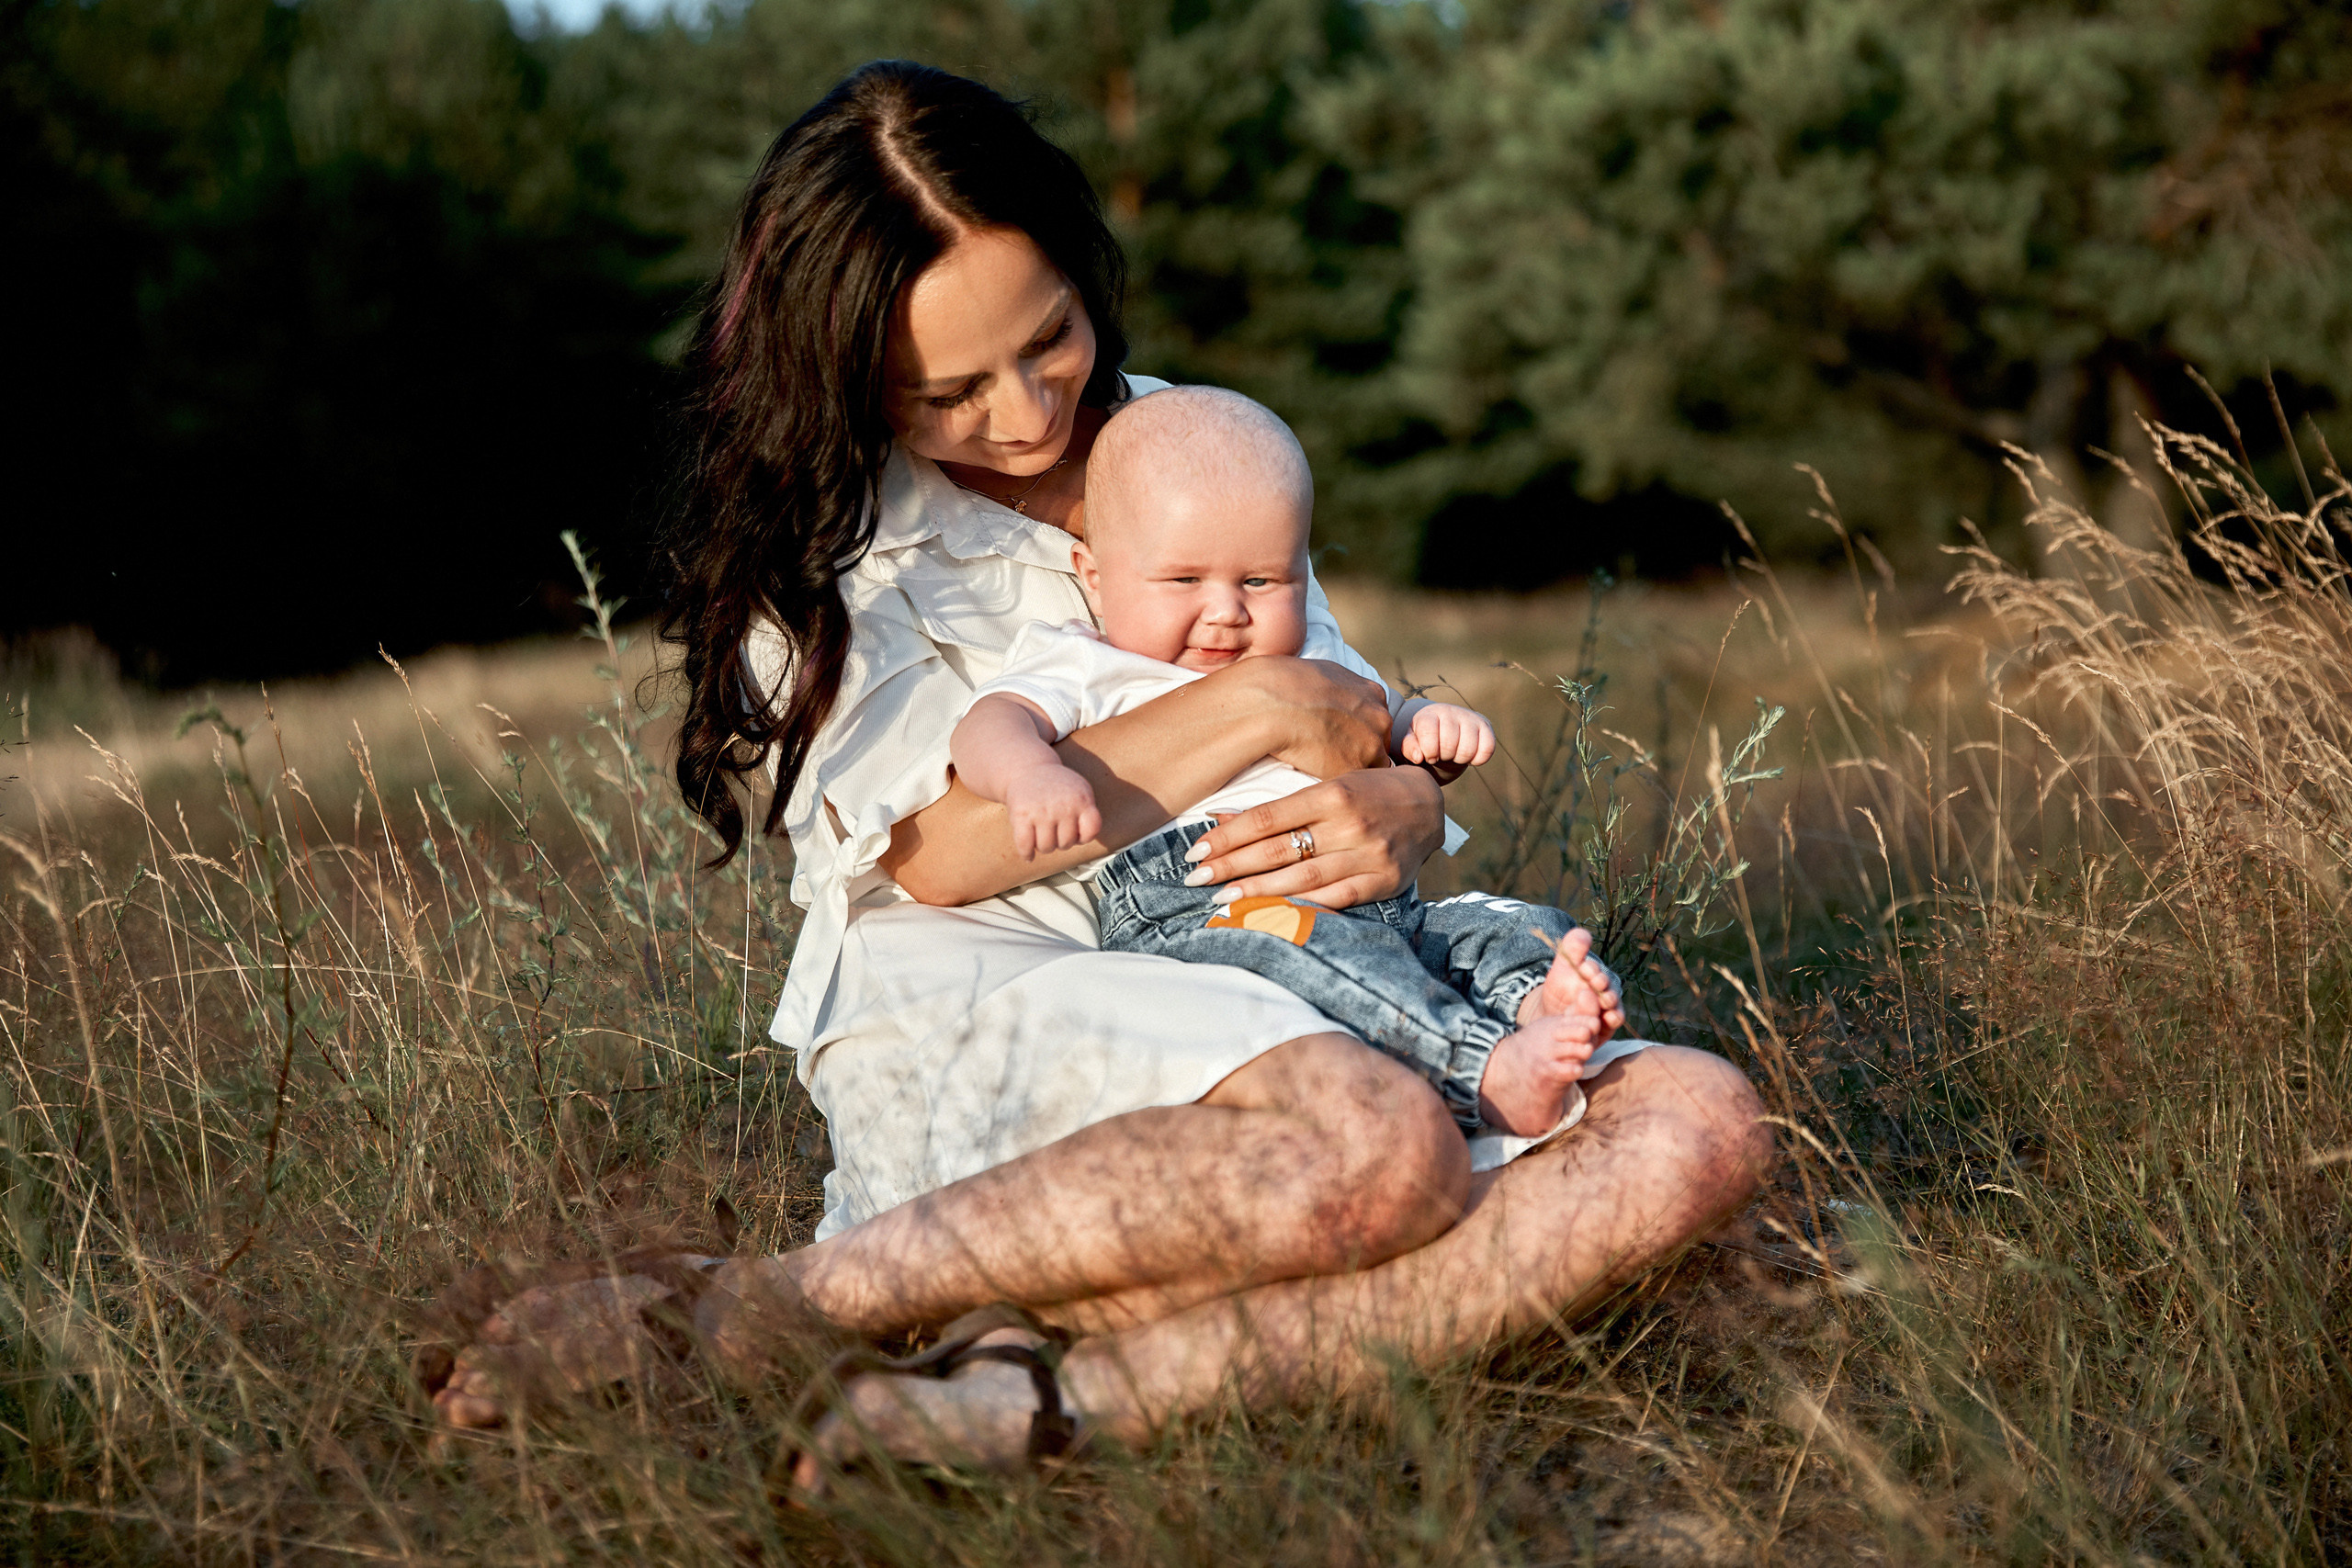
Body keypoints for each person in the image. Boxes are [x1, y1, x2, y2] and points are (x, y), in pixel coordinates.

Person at [423, 60, 1770, 1485]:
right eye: (946, 390)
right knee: (1381, 1152)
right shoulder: (815, 564)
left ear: (1080, 269)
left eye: (1049, 338)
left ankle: (1046, 1394)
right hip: (995, 992)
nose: (1023, 411)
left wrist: (1404, 804)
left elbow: (1342, 710)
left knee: (1696, 1124)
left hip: (1275, 959)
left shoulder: (1179, 435)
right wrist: (1260, 703)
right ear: (849, 377)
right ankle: (760, 1307)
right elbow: (949, 850)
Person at [949, 385, 1622, 1144]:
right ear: (1095, 576)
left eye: (1261, 581)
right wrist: (1029, 775)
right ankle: (1484, 1071)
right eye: (1183, 581)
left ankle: (1539, 1001)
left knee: (1503, 923)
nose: (1228, 610)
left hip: (1372, 904)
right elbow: (988, 725)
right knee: (1323, 954)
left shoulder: (1309, 652)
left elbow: (1382, 712)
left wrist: (1425, 726)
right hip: (1204, 904)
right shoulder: (1085, 659)